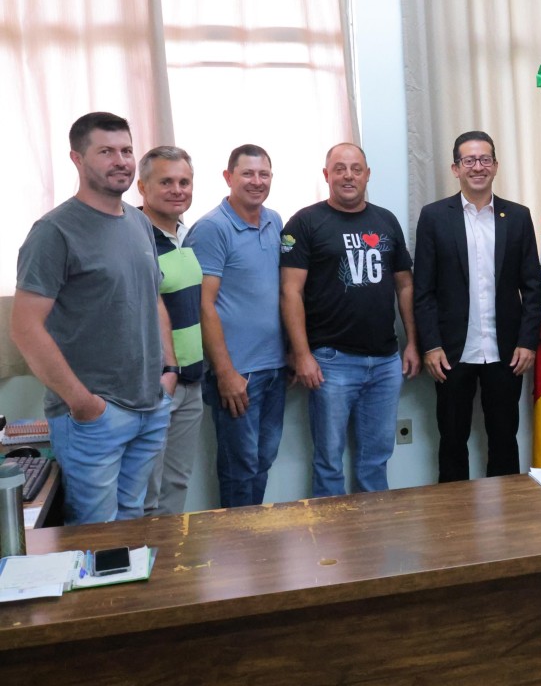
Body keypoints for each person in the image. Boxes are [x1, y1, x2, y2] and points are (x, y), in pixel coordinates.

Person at [11, 112, 174, 525]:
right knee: (95, 533)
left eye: (126, 151)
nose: (121, 161)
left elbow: (152, 298)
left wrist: (169, 371)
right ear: (77, 159)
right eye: (106, 152)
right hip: (94, 417)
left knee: (133, 522)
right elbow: (25, 327)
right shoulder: (54, 231)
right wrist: (82, 402)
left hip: (149, 404)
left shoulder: (139, 221)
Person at [281, 142, 421, 496]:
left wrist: (412, 343)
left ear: (367, 174)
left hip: (385, 361)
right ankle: (332, 531)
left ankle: (372, 527)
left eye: (356, 169)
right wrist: (302, 354)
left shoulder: (386, 220)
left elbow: (405, 285)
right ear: (326, 174)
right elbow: (290, 292)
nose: (348, 176)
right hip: (331, 362)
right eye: (339, 169)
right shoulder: (305, 222)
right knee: (329, 460)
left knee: (376, 458)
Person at [413, 131, 541, 482]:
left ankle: (506, 514)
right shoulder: (434, 217)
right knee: (452, 440)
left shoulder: (518, 216)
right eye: (469, 160)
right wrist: (431, 345)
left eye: (485, 159)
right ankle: (455, 515)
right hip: (451, 353)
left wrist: (527, 341)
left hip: (506, 352)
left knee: (504, 440)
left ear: (495, 166)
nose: (478, 167)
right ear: (455, 168)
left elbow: (533, 287)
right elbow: (423, 291)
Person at [185, 144, 287, 508]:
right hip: (237, 373)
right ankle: (238, 538)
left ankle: (253, 532)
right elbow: (203, 304)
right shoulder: (212, 228)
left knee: (263, 460)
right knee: (239, 467)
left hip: (274, 368)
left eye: (264, 174)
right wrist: (225, 373)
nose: (257, 181)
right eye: (247, 174)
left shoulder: (275, 221)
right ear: (229, 177)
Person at [139, 146, 205, 516]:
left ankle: (167, 552)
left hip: (191, 381)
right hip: (156, 384)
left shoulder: (185, 235)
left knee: (177, 483)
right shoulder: (136, 237)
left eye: (184, 182)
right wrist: (166, 372)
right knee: (146, 491)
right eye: (166, 182)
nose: (177, 190)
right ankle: (144, 552)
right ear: (142, 187)